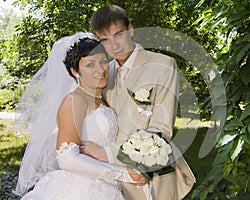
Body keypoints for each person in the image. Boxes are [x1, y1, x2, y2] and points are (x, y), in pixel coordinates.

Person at [13, 32, 146, 200]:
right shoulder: (75, 100)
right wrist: (125, 174)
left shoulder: (102, 98)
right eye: (90, 65)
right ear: (75, 71)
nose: (101, 69)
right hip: (82, 190)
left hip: (107, 186)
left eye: (103, 61)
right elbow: (67, 159)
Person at [86, 5, 196, 200]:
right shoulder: (103, 74)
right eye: (105, 40)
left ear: (130, 29)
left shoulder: (163, 65)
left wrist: (108, 153)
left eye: (118, 35)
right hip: (113, 179)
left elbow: (161, 130)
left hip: (151, 176)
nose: (114, 45)